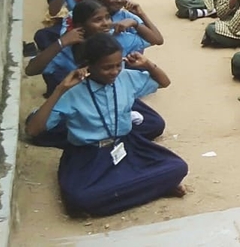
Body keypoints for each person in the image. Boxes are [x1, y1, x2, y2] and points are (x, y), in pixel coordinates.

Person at [24, 34, 187, 216]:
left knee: (178, 167)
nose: (115, 72)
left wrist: (147, 64)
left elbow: (164, 82)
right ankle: (155, 187)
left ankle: (132, 192)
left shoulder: (125, 78)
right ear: (89, 65)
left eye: (118, 65)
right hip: (88, 155)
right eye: (107, 67)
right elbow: (33, 129)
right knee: (79, 199)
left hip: (126, 145)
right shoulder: (72, 92)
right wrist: (60, 89)